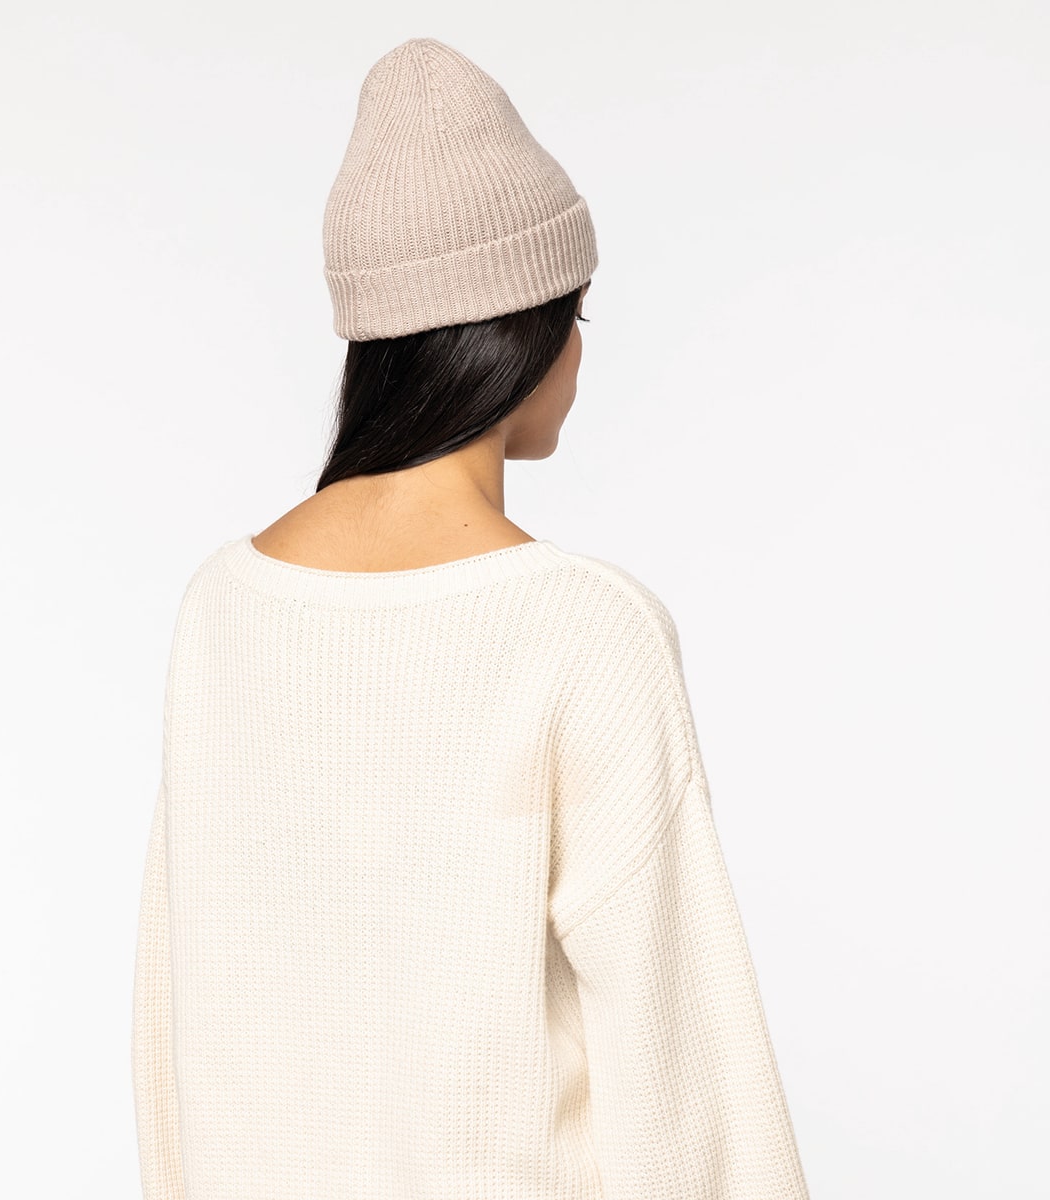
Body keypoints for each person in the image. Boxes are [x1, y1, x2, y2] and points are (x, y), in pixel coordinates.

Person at [131, 36, 810, 1200]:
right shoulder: (587, 630)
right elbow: (687, 1077)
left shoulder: (223, 608)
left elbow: (175, 1016)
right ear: (521, 332)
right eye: (576, 312)